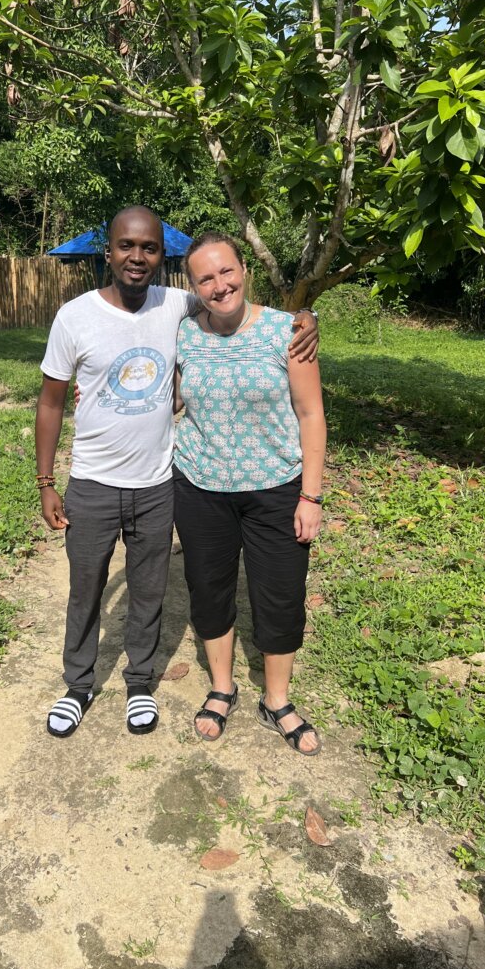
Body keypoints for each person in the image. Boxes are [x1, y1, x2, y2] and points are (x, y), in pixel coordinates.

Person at [35, 207, 319, 738]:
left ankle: (140, 683)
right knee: (85, 587)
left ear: (162, 257)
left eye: (148, 248)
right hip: (101, 480)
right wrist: (47, 482)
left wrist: (309, 319)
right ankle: (78, 685)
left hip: (159, 481)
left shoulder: (179, 304)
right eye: (126, 246)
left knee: (149, 590)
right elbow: (51, 401)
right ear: (109, 251)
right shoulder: (75, 316)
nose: (137, 257)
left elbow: (241, 308)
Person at [173, 231, 326, 755]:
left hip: (277, 490)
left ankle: (277, 699)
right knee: (209, 589)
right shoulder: (184, 335)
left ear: (245, 270)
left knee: (280, 595)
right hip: (199, 486)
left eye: (227, 271)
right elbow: (163, 394)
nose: (220, 285)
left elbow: (311, 414)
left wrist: (311, 496)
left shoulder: (289, 333)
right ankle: (222, 687)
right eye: (206, 278)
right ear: (193, 287)